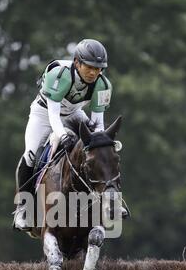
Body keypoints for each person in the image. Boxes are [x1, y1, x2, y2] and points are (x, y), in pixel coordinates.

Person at [13, 38, 129, 231]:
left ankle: (112, 202)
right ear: (77, 62)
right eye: (89, 67)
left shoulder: (103, 85)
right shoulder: (59, 75)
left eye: (98, 68)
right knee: (31, 154)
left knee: (100, 155)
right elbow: (53, 115)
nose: (94, 72)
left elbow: (98, 122)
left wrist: (99, 143)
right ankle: (22, 209)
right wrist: (63, 135)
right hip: (44, 114)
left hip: (75, 113)